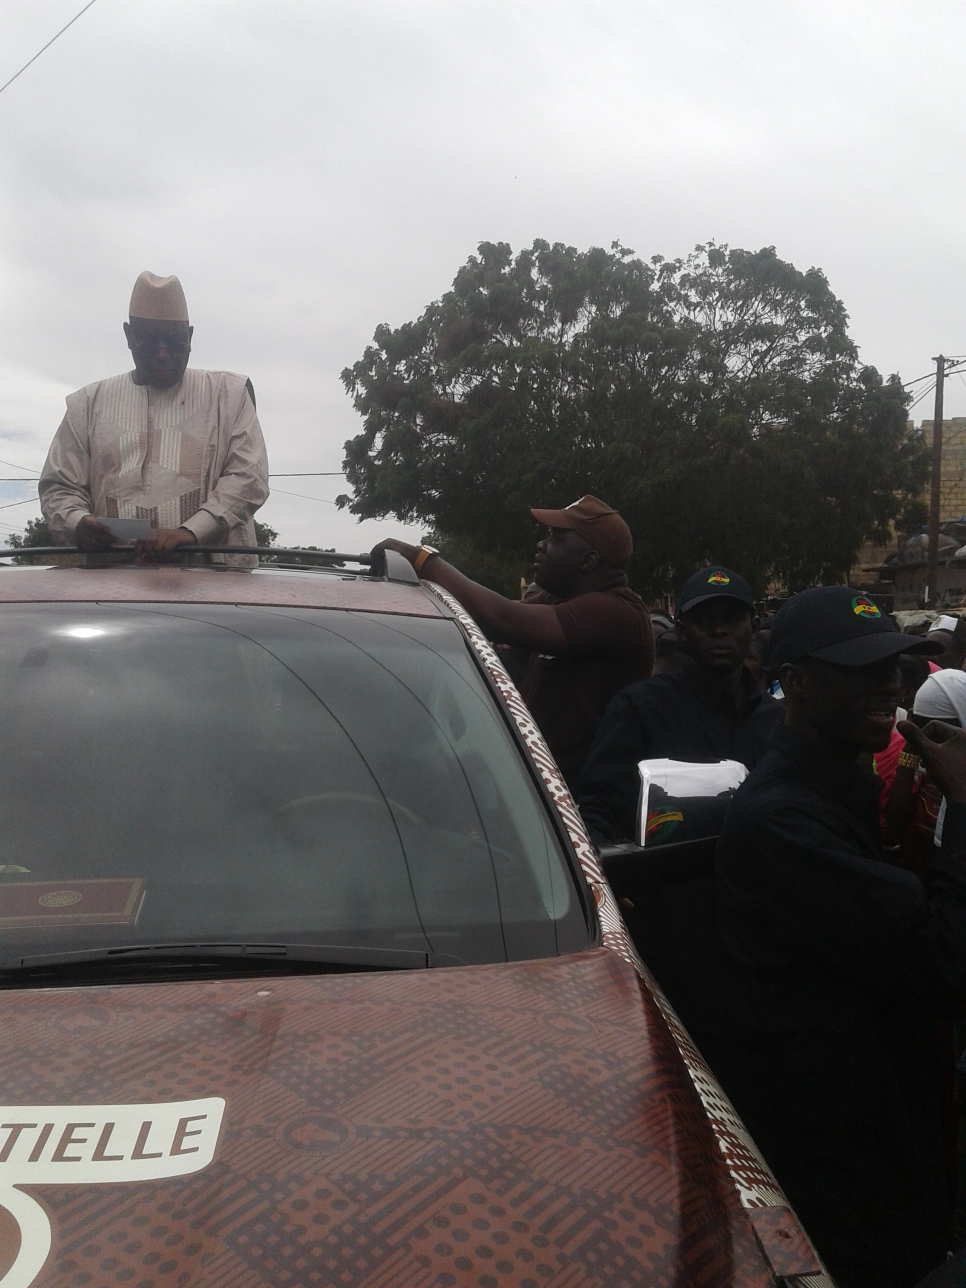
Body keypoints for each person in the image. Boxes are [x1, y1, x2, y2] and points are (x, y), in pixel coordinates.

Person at [713, 587, 961, 1288]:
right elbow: (945, 963)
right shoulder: (783, 822)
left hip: (887, 1136)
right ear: (794, 681)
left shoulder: (842, 790)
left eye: (894, 663)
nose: (889, 681)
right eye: (861, 668)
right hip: (842, 1173)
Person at [370, 496, 652, 788]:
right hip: (534, 789)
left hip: (577, 808)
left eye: (555, 539)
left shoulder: (616, 613)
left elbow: (500, 618)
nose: (541, 546)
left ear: (589, 560)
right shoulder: (563, 600)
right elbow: (485, 615)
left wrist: (421, 559)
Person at [39, 271, 269, 564]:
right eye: (148, 341)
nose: (162, 354)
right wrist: (77, 522)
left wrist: (191, 532)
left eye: (174, 342)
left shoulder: (230, 395)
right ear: (128, 336)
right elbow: (59, 485)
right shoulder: (86, 404)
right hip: (106, 588)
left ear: (190, 337)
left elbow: (249, 478)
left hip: (212, 588)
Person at [576, 566, 782, 846]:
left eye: (732, 620)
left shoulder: (777, 718)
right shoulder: (639, 708)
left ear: (754, 628)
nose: (719, 630)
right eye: (704, 621)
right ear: (682, 631)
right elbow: (597, 810)